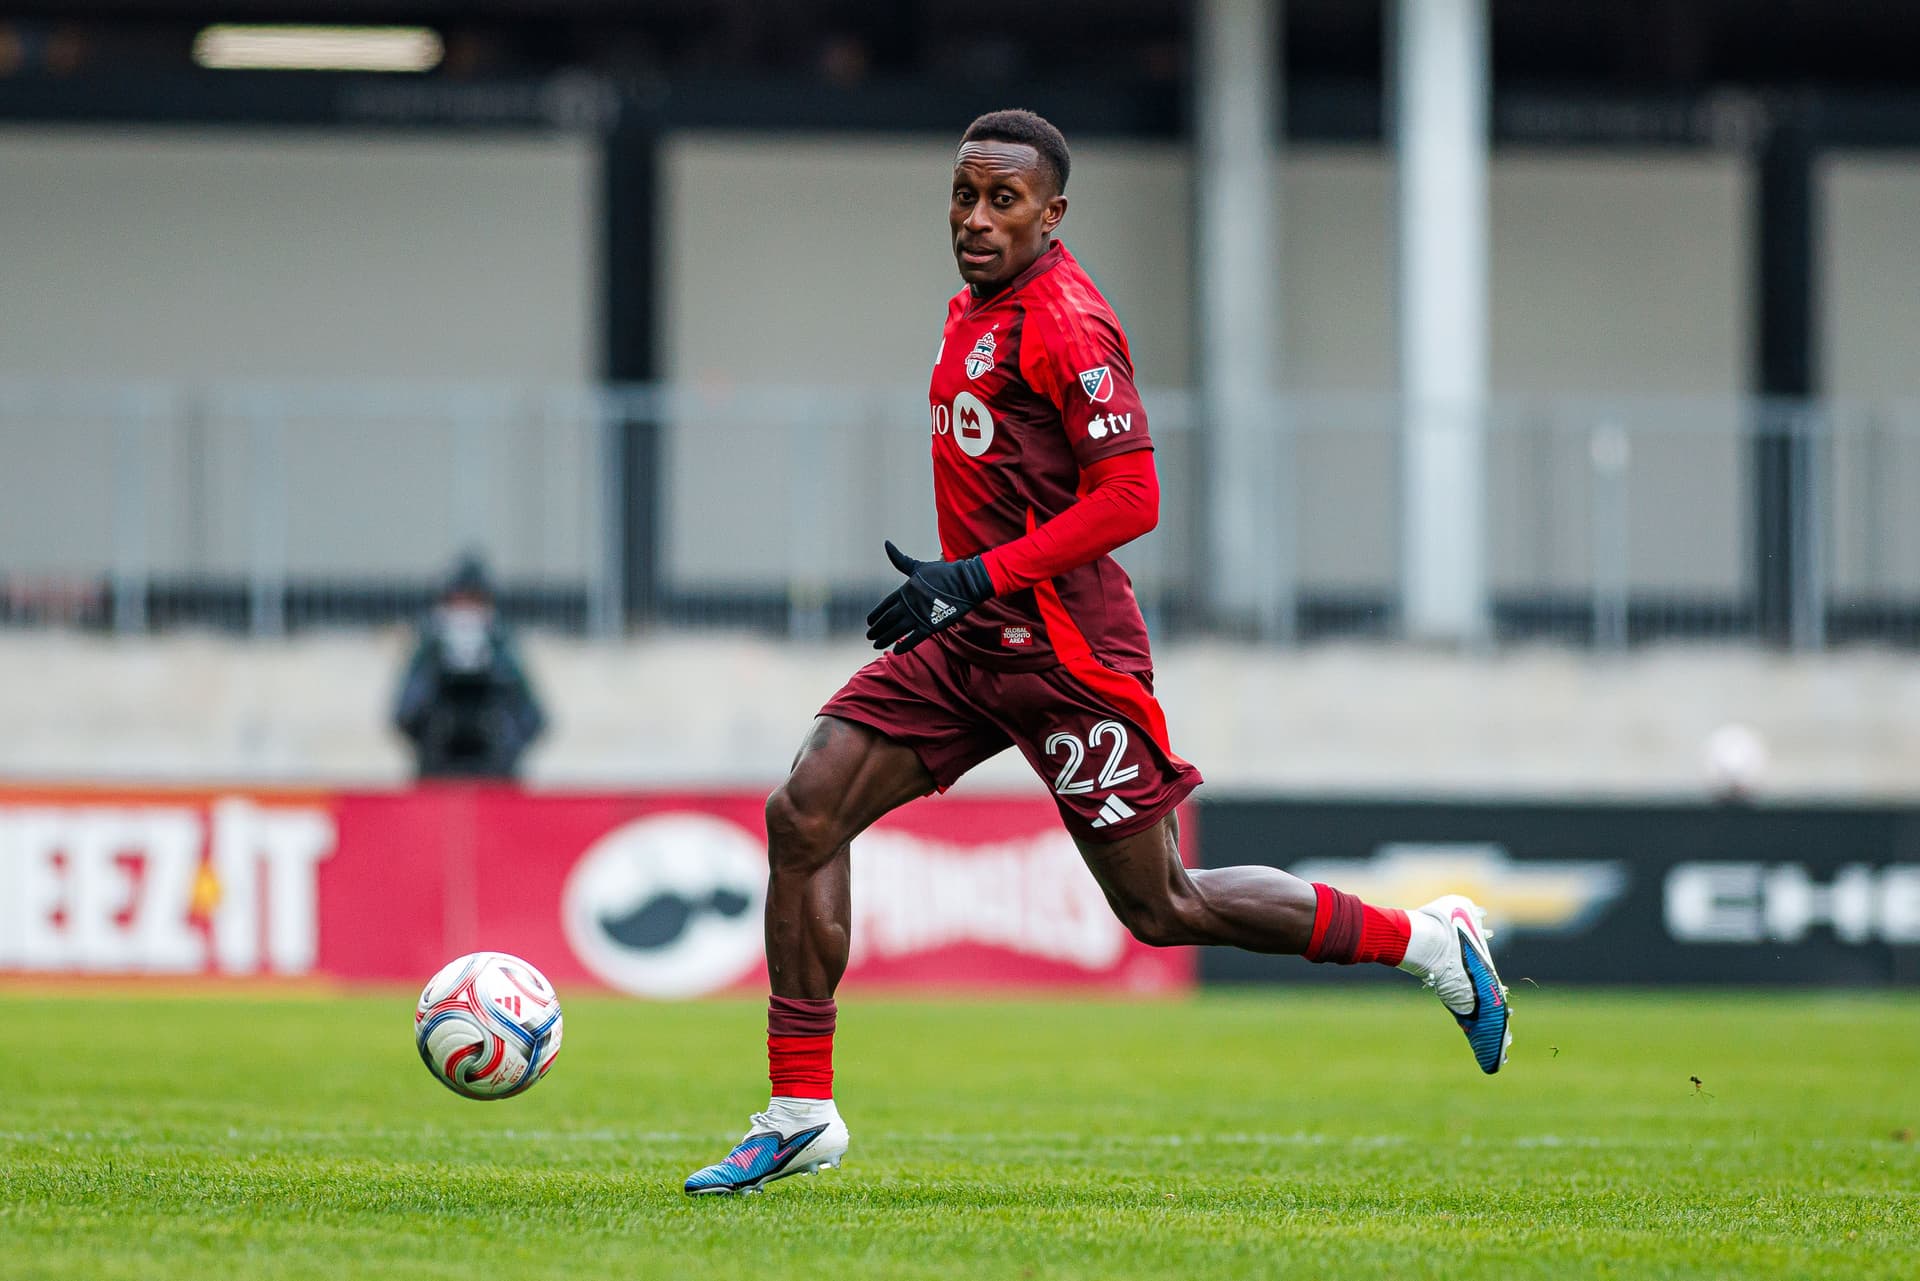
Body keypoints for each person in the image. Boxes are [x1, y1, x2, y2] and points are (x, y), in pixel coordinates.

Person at [683, 110, 1510, 1197]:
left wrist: (977, 573)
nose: (975, 219)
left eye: (1002, 201)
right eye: (963, 196)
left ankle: (1427, 942)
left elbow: (1133, 497)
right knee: (805, 812)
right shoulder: (972, 307)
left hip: (1067, 657)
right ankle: (800, 1110)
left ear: (1052, 214)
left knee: (1163, 908)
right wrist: (963, 585)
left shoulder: (1069, 322)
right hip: (968, 638)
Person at [392, 554, 545, 780]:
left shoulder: (502, 649)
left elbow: (533, 718)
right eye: (460, 601)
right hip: (437, 776)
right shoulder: (430, 650)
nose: (466, 611)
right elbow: (404, 714)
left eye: (474, 601)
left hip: (496, 778)